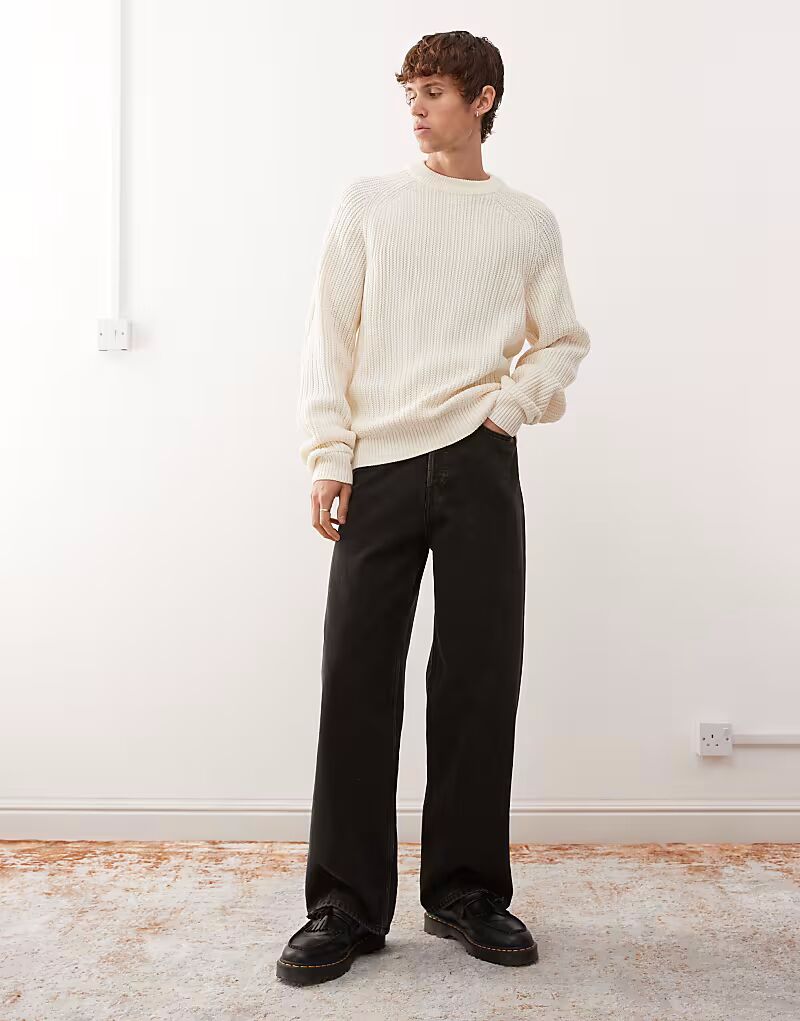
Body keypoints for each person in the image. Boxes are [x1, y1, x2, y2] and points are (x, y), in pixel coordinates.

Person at [277, 30, 591, 986]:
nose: (415, 108)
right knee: (356, 676)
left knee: (478, 678)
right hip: (377, 464)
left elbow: (562, 340)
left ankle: (466, 892)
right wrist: (329, 453)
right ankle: (344, 905)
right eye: (409, 91)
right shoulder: (369, 204)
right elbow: (330, 336)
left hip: (479, 462)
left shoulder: (526, 222)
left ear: (483, 99)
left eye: (435, 92)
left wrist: (508, 410)